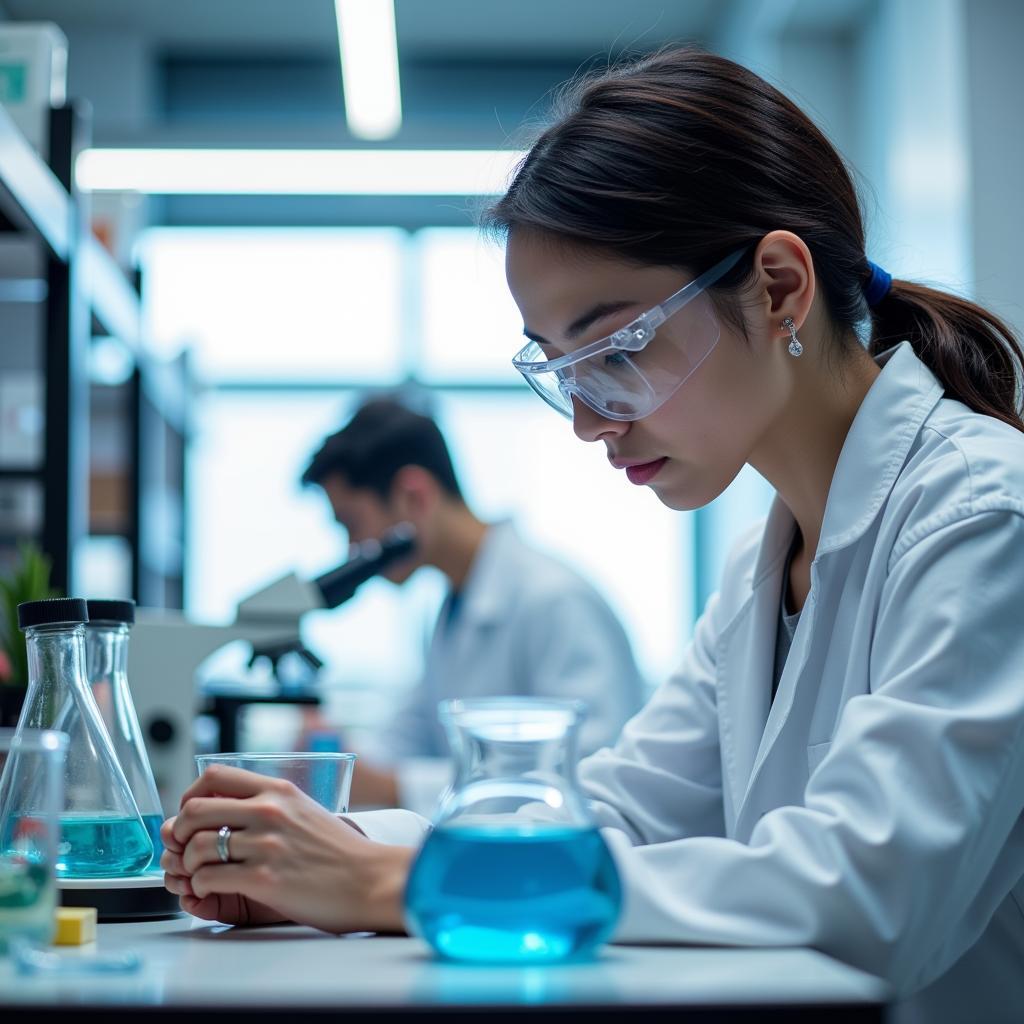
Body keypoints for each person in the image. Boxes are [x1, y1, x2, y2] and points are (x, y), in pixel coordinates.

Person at [162, 47, 1024, 1024]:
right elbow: (608, 814)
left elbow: (862, 898)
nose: (588, 420)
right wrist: (320, 845)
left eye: (616, 348)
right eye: (562, 370)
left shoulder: (983, 515)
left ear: (780, 288)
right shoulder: (761, 564)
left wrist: (385, 883)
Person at [298, 398, 644, 812]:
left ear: (414, 496)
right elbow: (413, 736)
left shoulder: (555, 601)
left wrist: (395, 789)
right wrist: (335, 757)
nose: (353, 549)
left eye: (352, 524)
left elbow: (587, 776)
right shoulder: (449, 609)